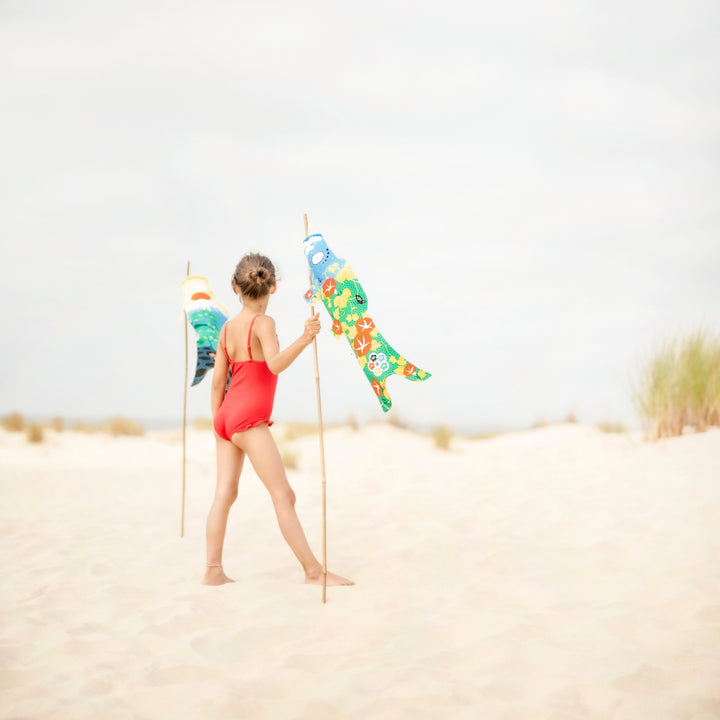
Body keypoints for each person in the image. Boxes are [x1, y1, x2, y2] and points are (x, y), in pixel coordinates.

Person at [202, 252, 354, 588]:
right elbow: (272, 364)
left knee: (224, 495)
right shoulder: (264, 323)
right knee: (284, 496)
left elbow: (217, 383)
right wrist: (305, 337)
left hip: (225, 415)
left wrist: (219, 426)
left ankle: (213, 570)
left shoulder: (227, 328)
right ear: (273, 286)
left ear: (234, 287)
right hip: (248, 418)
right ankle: (314, 573)